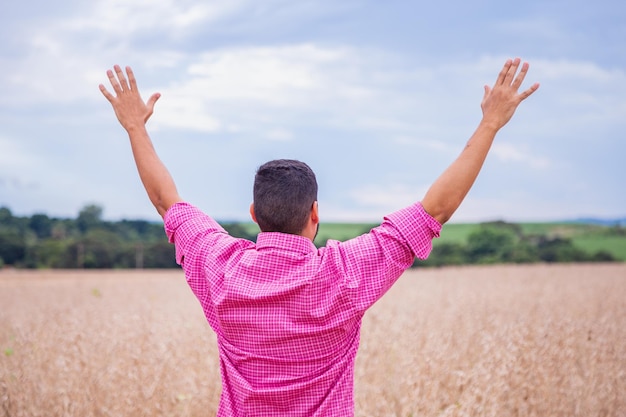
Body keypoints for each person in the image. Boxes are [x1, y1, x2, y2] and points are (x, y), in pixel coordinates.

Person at [99, 58, 539, 416]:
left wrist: (135, 127)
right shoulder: (344, 274)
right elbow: (435, 210)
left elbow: (166, 200)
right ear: (314, 214)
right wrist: (490, 124)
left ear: (254, 214)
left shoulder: (221, 268)